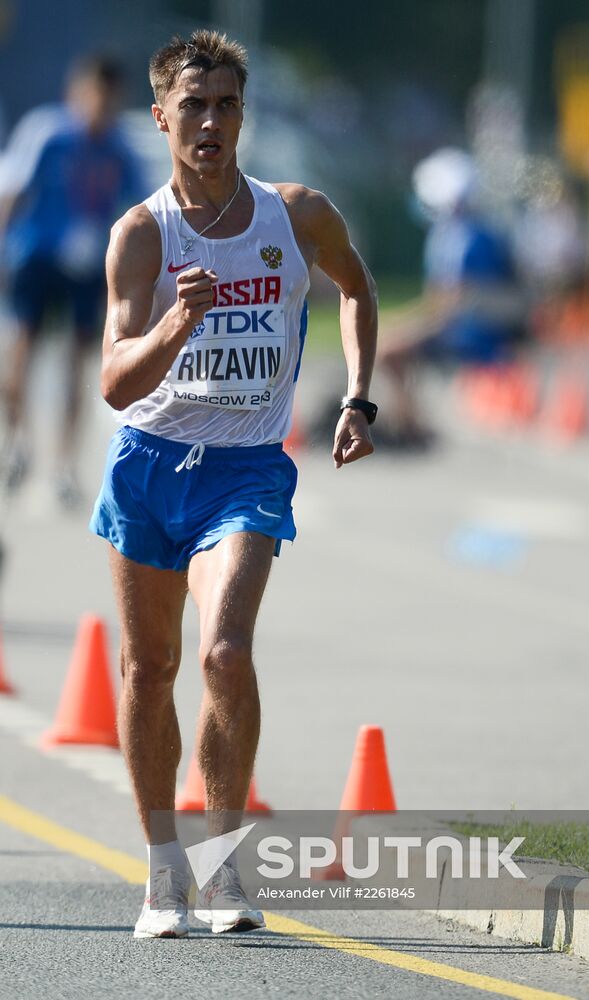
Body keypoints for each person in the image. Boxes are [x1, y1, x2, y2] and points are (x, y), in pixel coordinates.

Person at [88, 30, 377, 938]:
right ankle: (162, 868)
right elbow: (114, 381)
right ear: (161, 116)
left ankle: (221, 870)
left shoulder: (294, 216)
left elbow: (358, 291)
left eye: (226, 106)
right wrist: (176, 326)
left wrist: (359, 401)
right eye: (194, 106)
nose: (210, 123)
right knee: (149, 669)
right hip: (148, 467)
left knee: (224, 653)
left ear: (243, 117)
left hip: (247, 469)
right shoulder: (143, 234)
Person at [0, 55, 145, 507]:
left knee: (80, 361)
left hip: (88, 267)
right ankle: (17, 442)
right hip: (37, 254)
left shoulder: (121, 148)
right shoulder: (48, 132)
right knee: (22, 345)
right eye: (95, 95)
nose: (101, 108)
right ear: (79, 91)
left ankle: (63, 464)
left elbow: (140, 207)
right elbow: (12, 192)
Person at [378, 148, 523, 443]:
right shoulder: (457, 234)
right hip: (463, 326)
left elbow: (451, 304)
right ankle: (408, 419)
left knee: (386, 349)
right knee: (388, 339)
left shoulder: (465, 238)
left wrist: (409, 324)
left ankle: (409, 422)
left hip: (474, 333)